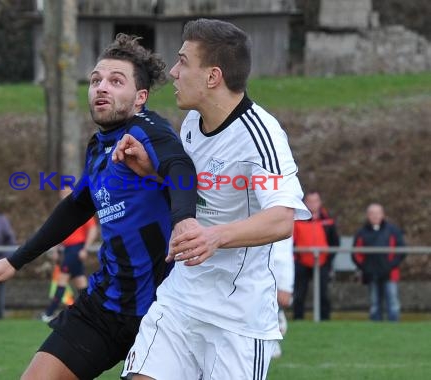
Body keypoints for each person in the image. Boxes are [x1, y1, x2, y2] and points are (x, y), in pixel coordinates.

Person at [0, 33, 198, 380]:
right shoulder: (99, 147)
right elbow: (77, 207)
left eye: (115, 81)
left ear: (140, 97)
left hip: (162, 310)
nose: (101, 88)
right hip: (106, 306)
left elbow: (179, 166)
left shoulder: (147, 130)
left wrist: (184, 221)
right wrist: (14, 260)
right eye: (95, 80)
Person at [113, 18, 310, 380]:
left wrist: (214, 236)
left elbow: (282, 218)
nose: (173, 72)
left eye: (183, 61)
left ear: (213, 76)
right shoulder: (191, 122)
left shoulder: (261, 136)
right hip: (180, 299)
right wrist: (152, 171)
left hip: (237, 318)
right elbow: (197, 189)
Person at [41, 188, 99, 323]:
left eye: (66, 194)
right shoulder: (64, 212)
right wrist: (56, 250)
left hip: (76, 249)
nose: (63, 197)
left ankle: (49, 313)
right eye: (61, 195)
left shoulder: (82, 210)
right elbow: (58, 232)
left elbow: (93, 229)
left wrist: (85, 248)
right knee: (80, 282)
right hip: (68, 249)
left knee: (62, 279)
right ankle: (92, 312)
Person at [352, 203, 406, 322]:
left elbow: (401, 250)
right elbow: (356, 253)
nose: (375, 216)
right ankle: (375, 324)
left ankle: (394, 324)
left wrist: (390, 265)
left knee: (392, 300)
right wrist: (365, 267)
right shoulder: (362, 232)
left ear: (383, 214)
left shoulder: (393, 231)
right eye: (372, 213)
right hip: (371, 274)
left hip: (390, 272)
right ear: (368, 215)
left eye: (378, 213)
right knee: (374, 301)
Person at [292, 190, 340, 321]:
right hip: (301, 262)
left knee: (323, 293)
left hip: (322, 262)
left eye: (315, 201)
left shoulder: (328, 222)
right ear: (305, 203)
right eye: (310, 201)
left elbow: (334, 243)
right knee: (300, 292)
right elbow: (291, 242)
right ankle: (298, 318)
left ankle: (325, 319)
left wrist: (327, 260)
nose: (313, 204)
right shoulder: (297, 219)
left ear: (320, 203)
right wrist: (297, 259)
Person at [271, 236, 294, 359]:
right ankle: (270, 340)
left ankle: (277, 317)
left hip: (283, 259)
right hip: (259, 258)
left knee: (284, 300)